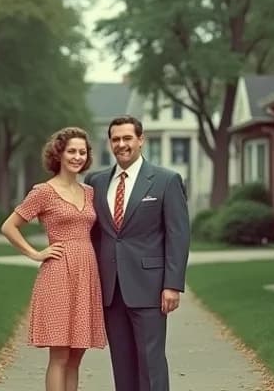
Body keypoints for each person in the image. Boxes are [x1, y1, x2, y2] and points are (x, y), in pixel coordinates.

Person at [84, 115, 190, 391]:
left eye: (127, 138)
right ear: (110, 143)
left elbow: (178, 236)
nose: (121, 144)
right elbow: (92, 234)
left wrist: (172, 285)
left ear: (141, 140)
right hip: (111, 289)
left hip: (150, 287)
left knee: (151, 362)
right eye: (116, 139)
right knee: (122, 363)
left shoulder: (166, 181)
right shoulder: (95, 182)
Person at [1, 126, 106, 391]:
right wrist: (35, 253)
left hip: (87, 274)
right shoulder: (43, 192)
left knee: (76, 355)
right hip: (59, 274)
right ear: (59, 154)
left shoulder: (90, 192)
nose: (77, 157)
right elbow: (9, 226)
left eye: (82, 152)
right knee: (60, 355)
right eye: (72, 151)